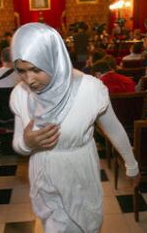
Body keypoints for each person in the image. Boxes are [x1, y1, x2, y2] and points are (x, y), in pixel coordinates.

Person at [10, 23, 140, 232]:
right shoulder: (20, 93)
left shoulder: (90, 89)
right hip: (42, 173)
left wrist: (131, 165)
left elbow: (113, 129)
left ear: (54, 59)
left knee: (85, 225)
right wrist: (27, 143)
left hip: (79, 170)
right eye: (21, 71)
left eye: (35, 69)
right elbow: (18, 143)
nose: (29, 79)